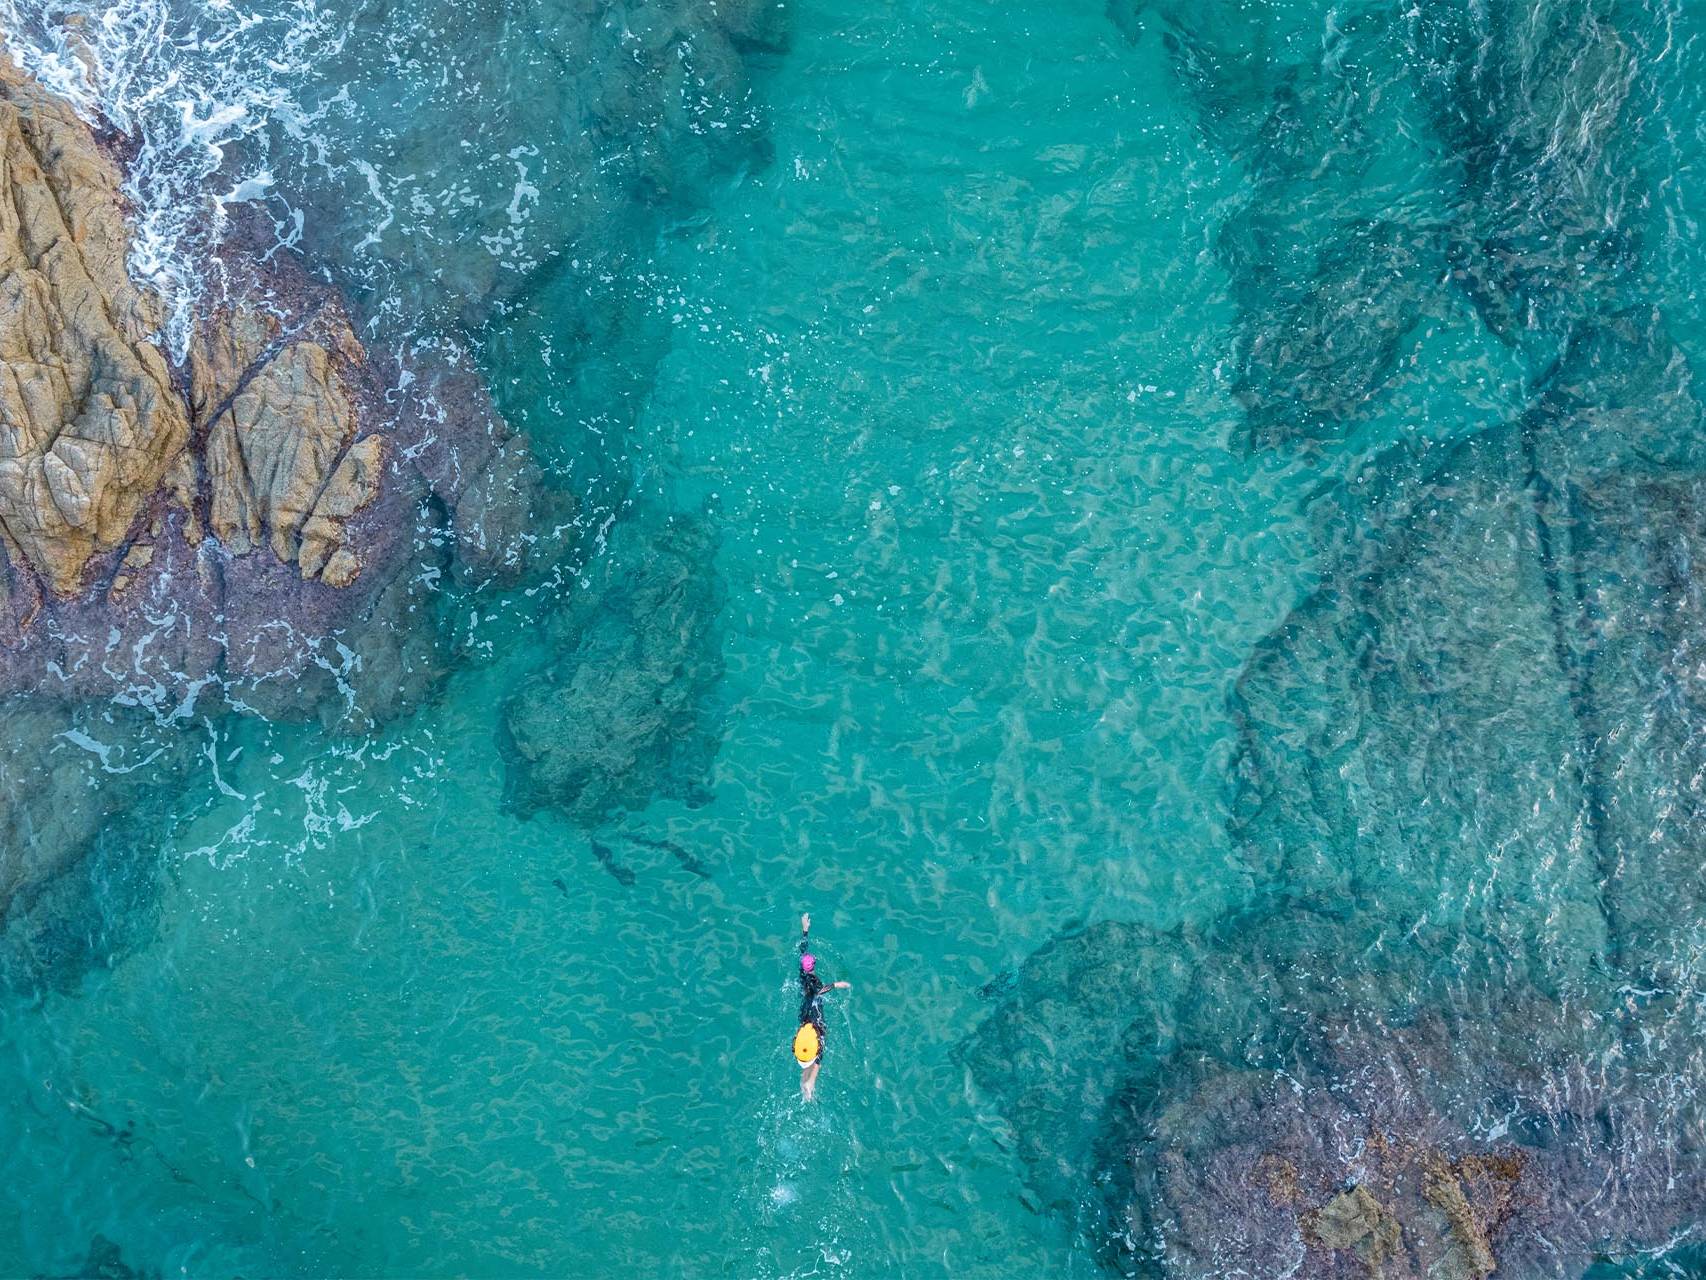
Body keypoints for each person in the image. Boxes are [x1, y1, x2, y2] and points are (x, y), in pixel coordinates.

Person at [793, 912, 851, 1102]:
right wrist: (836, 985)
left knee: (808, 1041)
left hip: (804, 1011)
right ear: (814, 967)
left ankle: (803, 1081)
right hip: (814, 1014)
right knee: (820, 1048)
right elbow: (819, 992)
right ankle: (811, 1083)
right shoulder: (815, 981)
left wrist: (805, 931)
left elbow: (802, 951)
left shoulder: (802, 975)